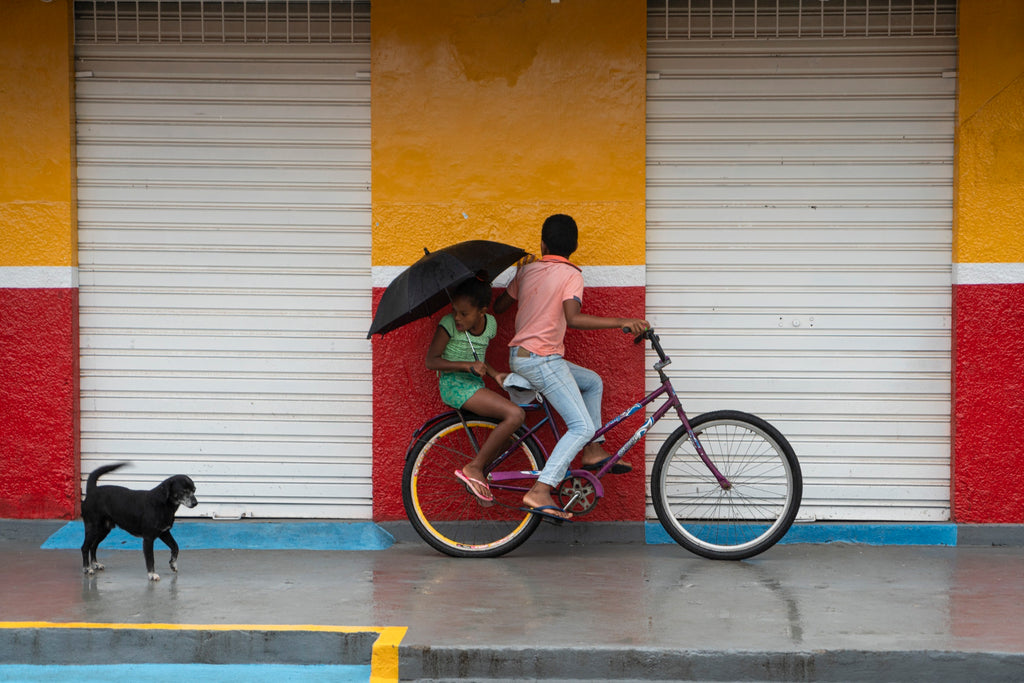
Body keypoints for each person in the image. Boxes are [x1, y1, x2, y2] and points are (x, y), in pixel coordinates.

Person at [494, 214, 649, 522]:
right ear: (575, 247)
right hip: (541, 359)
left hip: (521, 356)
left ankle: (592, 451)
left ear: (542, 243)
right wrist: (622, 321)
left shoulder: (527, 270)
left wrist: (519, 272)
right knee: (581, 426)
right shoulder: (571, 274)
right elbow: (574, 318)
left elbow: (499, 308)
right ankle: (540, 490)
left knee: (591, 381)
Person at [425, 277, 526, 504]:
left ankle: (479, 478)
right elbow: (431, 361)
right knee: (515, 415)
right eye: (455, 311)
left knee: (510, 440)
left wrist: (495, 374)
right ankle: (475, 468)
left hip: (475, 385)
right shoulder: (448, 324)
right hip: (455, 386)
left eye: (464, 313)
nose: (457, 318)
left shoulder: (490, 325)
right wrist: (465, 367)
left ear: (482, 312)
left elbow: (478, 360)